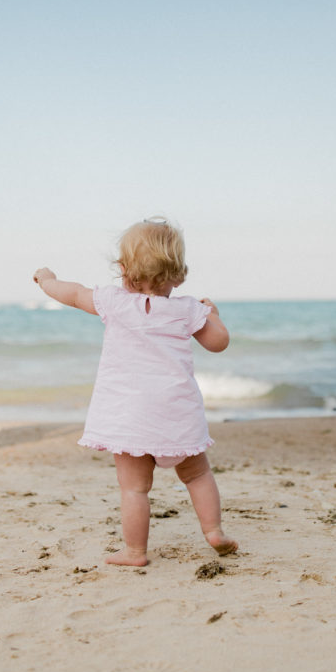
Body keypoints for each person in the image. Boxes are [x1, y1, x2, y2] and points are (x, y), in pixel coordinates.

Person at [33, 217, 238, 566]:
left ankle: (135, 551)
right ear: (180, 274)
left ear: (124, 271)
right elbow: (218, 343)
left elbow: (72, 293)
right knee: (197, 474)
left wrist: (46, 280)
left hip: (127, 416)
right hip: (176, 412)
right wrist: (213, 316)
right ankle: (214, 530)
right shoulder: (188, 309)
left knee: (134, 488)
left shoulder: (113, 302)